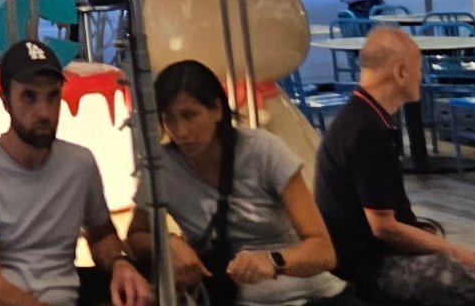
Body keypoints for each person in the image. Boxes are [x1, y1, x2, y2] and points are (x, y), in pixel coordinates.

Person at [315, 29, 475, 306]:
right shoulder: (366, 130)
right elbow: (383, 227)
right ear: (401, 72)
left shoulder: (362, 116)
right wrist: (458, 253)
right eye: (419, 68)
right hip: (370, 266)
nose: (422, 76)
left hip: (366, 254)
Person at [125, 59, 342, 304]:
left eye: (189, 115)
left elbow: (324, 252)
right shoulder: (161, 167)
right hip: (227, 295)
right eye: (169, 118)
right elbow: (136, 235)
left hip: (309, 296)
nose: (180, 131)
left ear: (217, 110)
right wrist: (167, 242)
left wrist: (273, 261)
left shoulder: (262, 150)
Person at [0, 40, 152, 306]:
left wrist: (120, 263)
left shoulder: (80, 164)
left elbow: (102, 236)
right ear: (5, 100)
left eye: (53, 95)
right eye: (29, 96)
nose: (45, 112)